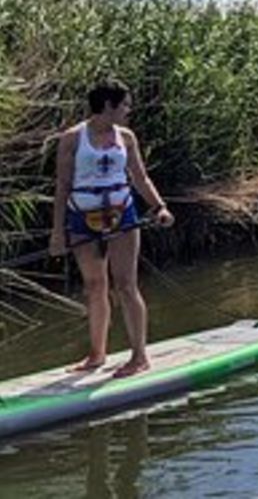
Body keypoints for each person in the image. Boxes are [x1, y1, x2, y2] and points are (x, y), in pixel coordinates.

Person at [50, 80, 174, 378]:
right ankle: (97, 354)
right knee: (94, 286)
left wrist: (159, 208)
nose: (129, 110)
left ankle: (139, 357)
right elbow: (63, 186)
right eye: (126, 105)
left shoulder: (126, 137)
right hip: (83, 217)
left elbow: (141, 178)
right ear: (108, 105)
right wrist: (57, 233)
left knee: (126, 285)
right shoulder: (72, 139)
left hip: (122, 216)